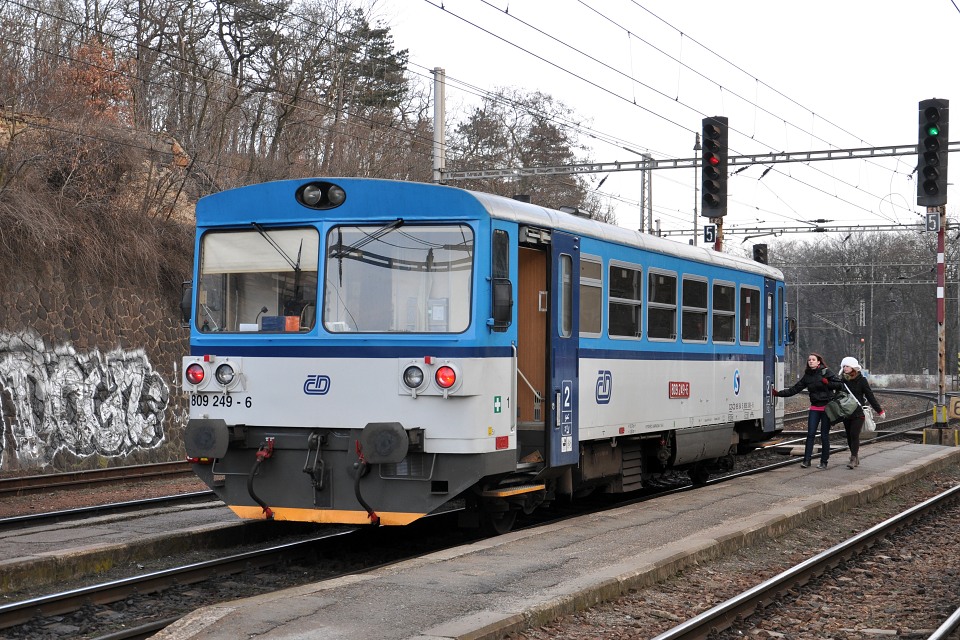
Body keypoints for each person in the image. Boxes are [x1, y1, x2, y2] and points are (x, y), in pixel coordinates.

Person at [771, 353, 842, 469]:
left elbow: (839, 385)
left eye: (813, 360)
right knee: (810, 434)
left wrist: (828, 383)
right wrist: (778, 393)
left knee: (824, 435)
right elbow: (795, 389)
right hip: (815, 407)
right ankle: (806, 460)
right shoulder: (807, 376)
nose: (811, 361)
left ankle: (824, 462)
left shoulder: (826, 372)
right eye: (809, 360)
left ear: (819, 362)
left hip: (827, 408)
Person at [838, 356, 885, 469]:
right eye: (843, 366)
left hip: (858, 412)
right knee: (849, 436)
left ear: (853, 367)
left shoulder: (862, 380)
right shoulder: (841, 381)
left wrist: (879, 410)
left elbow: (870, 395)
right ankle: (855, 455)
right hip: (846, 412)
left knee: (854, 434)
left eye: (847, 366)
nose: (845, 368)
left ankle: (853, 458)